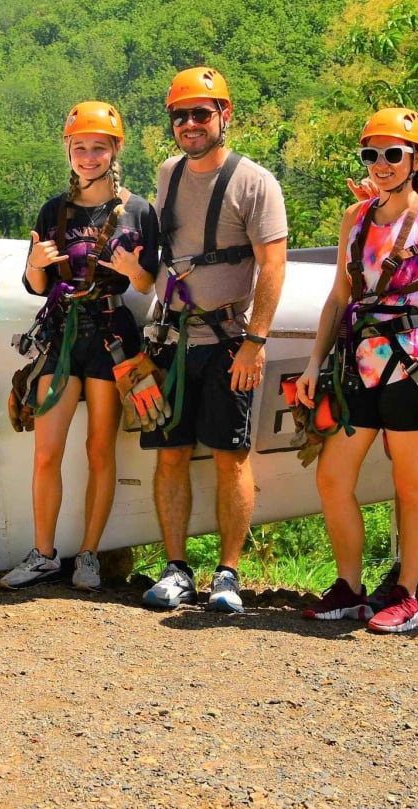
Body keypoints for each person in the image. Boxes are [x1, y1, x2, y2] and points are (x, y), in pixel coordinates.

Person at [296, 108, 418, 633]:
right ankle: (350, 588)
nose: (381, 163)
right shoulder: (356, 217)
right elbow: (339, 296)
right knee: (332, 477)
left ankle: (408, 594)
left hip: (412, 366)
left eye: (393, 153)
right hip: (359, 363)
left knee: (413, 485)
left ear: (417, 159)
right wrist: (314, 362)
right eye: (372, 154)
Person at [139, 67, 288, 614]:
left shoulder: (255, 183)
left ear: (225, 115)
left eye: (201, 113)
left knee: (231, 457)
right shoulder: (169, 174)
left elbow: (273, 264)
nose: (190, 124)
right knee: (171, 456)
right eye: (180, 115)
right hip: (172, 340)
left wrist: (256, 341)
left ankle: (228, 574)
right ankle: (176, 568)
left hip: (229, 342)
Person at [0, 101, 160, 592]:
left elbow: (147, 283)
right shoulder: (55, 211)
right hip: (63, 332)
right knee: (46, 451)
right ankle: (43, 552)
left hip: (111, 336)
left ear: (115, 150)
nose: (89, 157)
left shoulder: (139, 211)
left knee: (99, 451)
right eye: (80, 148)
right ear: (68, 150)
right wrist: (34, 264)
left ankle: (88, 554)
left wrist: (131, 270)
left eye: (99, 148)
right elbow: (38, 285)